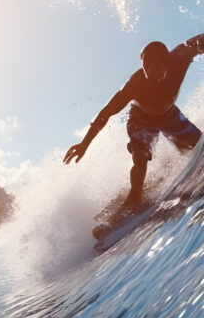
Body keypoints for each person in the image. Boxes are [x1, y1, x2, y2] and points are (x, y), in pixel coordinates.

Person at [63, 36, 204, 210]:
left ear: (166, 64)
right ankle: (134, 198)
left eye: (154, 68)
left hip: (169, 116)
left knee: (198, 147)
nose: (148, 73)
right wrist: (84, 144)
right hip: (140, 121)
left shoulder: (181, 56)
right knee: (140, 155)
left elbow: (198, 42)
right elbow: (106, 113)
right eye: (146, 67)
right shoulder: (134, 84)